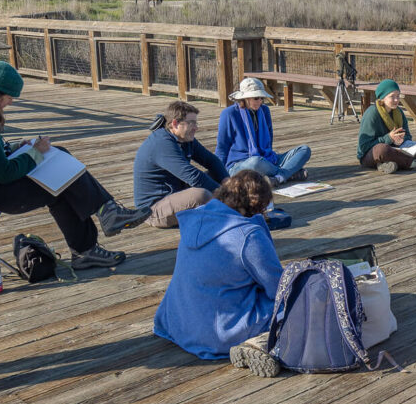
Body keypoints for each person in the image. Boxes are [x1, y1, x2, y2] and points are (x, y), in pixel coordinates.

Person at [0, 60, 149, 269]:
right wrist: (34, 153)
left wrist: (16, 147)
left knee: (59, 156)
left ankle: (105, 217)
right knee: (59, 183)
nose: (11, 101)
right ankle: (93, 237)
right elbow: (2, 173)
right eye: (9, 96)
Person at [153, 171, 282, 372]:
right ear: (259, 205)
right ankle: (258, 343)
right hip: (218, 335)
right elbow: (278, 289)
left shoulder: (194, 219)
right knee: (295, 300)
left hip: (177, 323)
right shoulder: (249, 235)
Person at [133, 100, 228, 228]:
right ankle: (232, 211)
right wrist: (227, 195)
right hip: (153, 210)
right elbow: (193, 176)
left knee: (216, 174)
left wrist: (228, 183)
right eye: (191, 123)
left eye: (196, 122)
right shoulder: (162, 143)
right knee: (201, 195)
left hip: (175, 194)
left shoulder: (185, 138)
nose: (196, 127)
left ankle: (224, 208)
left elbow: (212, 161)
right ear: (175, 123)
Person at [215, 77, 312, 185]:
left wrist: (268, 162)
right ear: (245, 98)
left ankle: (279, 177)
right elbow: (222, 147)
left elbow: (269, 141)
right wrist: (220, 175)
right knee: (255, 162)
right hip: (241, 164)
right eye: (256, 98)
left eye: (262, 98)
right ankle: (288, 174)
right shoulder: (229, 113)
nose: (260, 101)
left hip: (268, 158)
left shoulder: (265, 110)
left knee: (304, 150)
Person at [358, 79, 416, 173]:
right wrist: (389, 138)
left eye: (398, 96)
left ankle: (387, 165)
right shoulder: (372, 113)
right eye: (392, 97)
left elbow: (408, 135)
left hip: (396, 149)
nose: (396, 100)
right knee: (382, 150)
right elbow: (364, 146)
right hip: (372, 154)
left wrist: (401, 140)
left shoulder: (398, 112)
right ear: (382, 98)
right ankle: (415, 163)